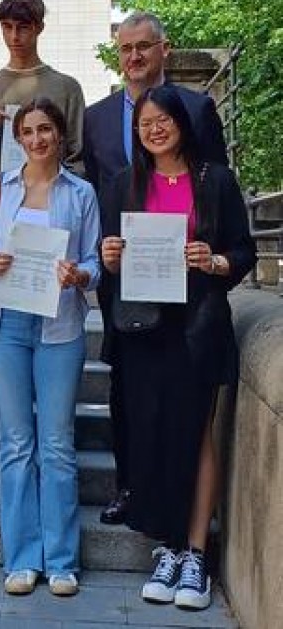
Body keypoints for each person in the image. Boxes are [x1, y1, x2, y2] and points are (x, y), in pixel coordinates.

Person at [100, 84, 255, 611]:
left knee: (195, 436)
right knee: (151, 434)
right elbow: (107, 261)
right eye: (145, 123)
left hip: (198, 325)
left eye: (164, 119)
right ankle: (166, 545)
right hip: (144, 329)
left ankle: (194, 553)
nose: (155, 128)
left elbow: (244, 251)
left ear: (183, 124)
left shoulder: (216, 182)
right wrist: (111, 256)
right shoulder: (124, 184)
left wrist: (215, 262)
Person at [82, 12, 228, 526]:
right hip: (125, 279)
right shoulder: (97, 116)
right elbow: (97, 191)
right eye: (126, 49)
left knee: (182, 407)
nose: (135, 57)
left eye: (145, 46)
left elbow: (215, 189)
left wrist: (211, 257)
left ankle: (183, 513)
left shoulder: (196, 107)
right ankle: (129, 487)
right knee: (127, 388)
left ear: (165, 50)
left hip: (189, 290)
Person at [0, 99, 100, 597]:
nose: (37, 139)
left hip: (59, 326)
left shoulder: (81, 193)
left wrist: (79, 275)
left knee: (57, 444)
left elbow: (94, 263)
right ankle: (22, 558)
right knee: (17, 444)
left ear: (60, 136)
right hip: (4, 326)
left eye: (46, 130)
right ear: (17, 138)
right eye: (29, 131)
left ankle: (62, 561)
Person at [0, 0, 86, 462]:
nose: (15, 36)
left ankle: (41, 421)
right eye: (8, 27)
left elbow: (78, 157)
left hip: (50, 223)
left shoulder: (65, 86)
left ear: (38, 29)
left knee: (44, 324)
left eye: (24, 27)